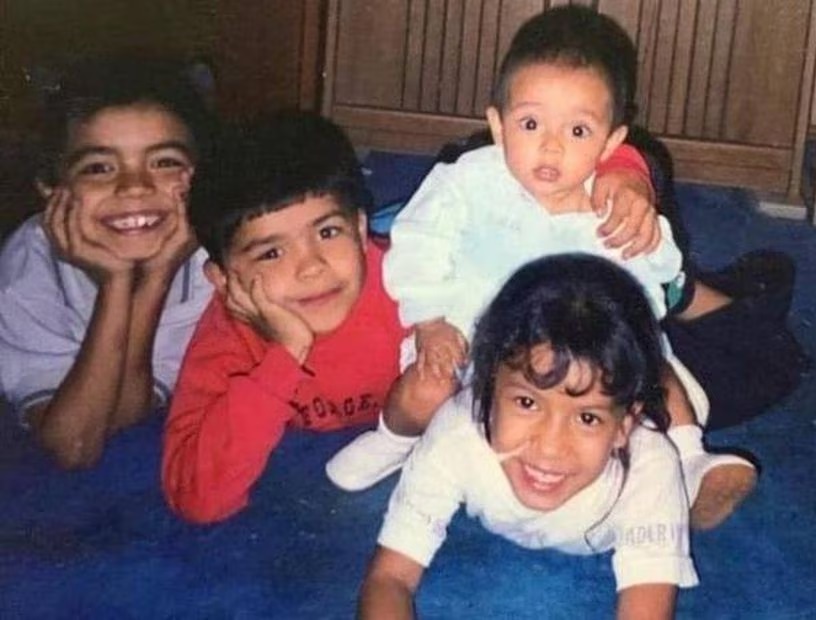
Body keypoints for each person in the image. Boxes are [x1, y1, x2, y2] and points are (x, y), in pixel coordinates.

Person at [327, 5, 755, 532]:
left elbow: (652, 280)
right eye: (530, 124)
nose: (551, 146)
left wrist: (649, 237)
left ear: (611, 143)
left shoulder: (610, 205)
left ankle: (688, 458)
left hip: (578, 361)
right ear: (497, 126)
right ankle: (394, 439)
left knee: (653, 372)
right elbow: (418, 241)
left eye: (578, 130)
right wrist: (429, 319)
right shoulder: (468, 182)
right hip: (469, 340)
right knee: (426, 387)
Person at [161, 110, 659, 524]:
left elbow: (545, 158)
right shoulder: (230, 335)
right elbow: (198, 498)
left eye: (328, 232)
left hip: (437, 237)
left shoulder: (420, 281)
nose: (311, 267)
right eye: (271, 253)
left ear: (358, 230)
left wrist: (628, 171)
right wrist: (284, 355)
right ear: (223, 280)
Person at [359, 253, 698, 620]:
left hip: (666, 399)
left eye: (587, 418)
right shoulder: (456, 435)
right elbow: (389, 577)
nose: (550, 448)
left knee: (692, 377)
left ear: (623, 427)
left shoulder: (649, 470)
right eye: (527, 402)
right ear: (488, 389)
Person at [0, 56, 215, 469]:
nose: (134, 187)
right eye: (98, 168)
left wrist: (158, 277)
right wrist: (117, 283)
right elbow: (75, 445)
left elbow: (128, 415)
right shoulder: (28, 265)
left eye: (165, 162)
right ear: (51, 188)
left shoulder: (210, 260)